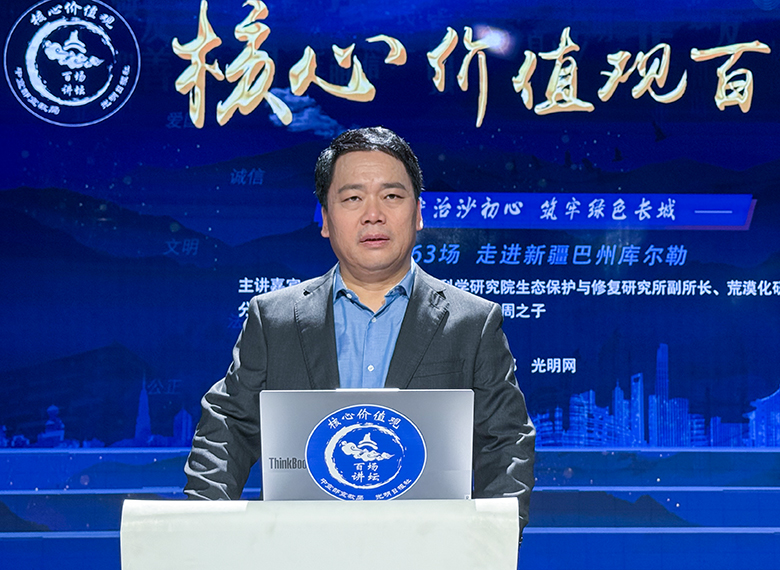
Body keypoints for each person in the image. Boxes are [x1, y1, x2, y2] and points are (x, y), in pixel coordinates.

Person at [184, 126, 536, 537]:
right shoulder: (274, 320)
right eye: (353, 198)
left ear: (419, 213)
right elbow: (228, 427)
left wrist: (490, 543)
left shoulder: (472, 323)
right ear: (325, 219)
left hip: (426, 552)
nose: (373, 214)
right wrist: (206, 532)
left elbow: (505, 442)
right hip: (300, 550)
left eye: (392, 196)